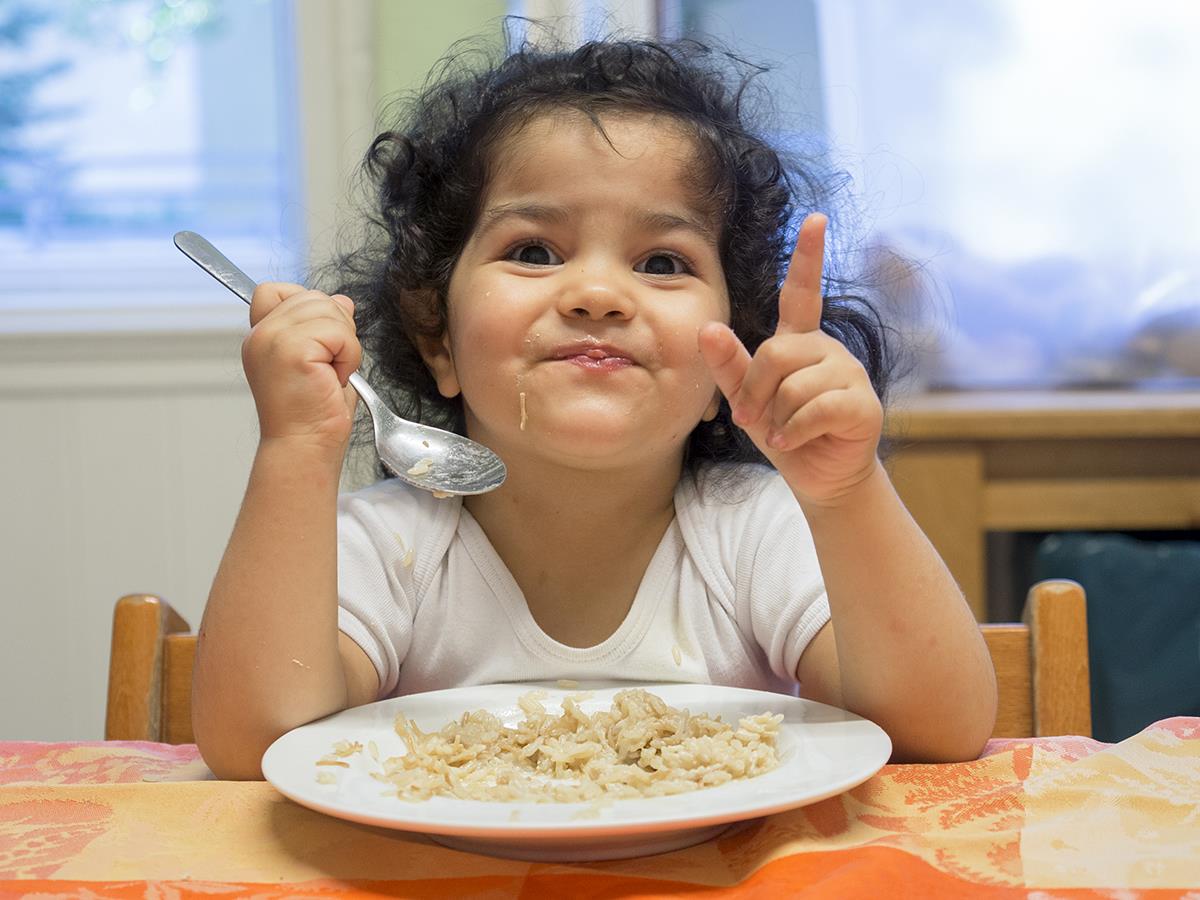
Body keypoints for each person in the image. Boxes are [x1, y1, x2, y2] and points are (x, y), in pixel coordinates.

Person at [191, 33, 997, 779]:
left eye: (662, 261)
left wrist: (847, 495)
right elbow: (257, 746)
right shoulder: (391, 549)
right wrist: (295, 449)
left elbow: (936, 733)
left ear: (736, 354)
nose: (600, 293)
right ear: (437, 333)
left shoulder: (755, 531)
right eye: (534, 251)